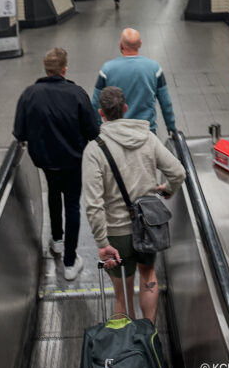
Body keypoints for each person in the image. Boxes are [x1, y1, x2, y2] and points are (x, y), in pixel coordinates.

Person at [82, 86, 186, 322]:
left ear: (101, 113)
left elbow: (93, 203)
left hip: (116, 234)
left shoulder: (94, 150)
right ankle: (149, 334)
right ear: (125, 109)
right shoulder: (147, 137)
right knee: (148, 275)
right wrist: (168, 190)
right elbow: (178, 172)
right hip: (147, 226)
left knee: (121, 293)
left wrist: (101, 241)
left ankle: (127, 346)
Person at [13, 47, 99, 279]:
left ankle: (57, 240)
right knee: (72, 203)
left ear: (46, 68)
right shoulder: (76, 93)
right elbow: (93, 131)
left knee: (53, 193)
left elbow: (19, 133)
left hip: (46, 161)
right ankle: (70, 262)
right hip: (73, 161)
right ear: (64, 68)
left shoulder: (29, 94)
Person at [92, 27, 177, 135]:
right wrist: (171, 126)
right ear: (140, 44)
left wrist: (99, 128)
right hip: (146, 133)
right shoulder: (155, 68)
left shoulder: (107, 70)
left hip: (117, 133)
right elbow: (166, 102)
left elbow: (95, 103)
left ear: (121, 45)